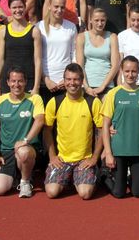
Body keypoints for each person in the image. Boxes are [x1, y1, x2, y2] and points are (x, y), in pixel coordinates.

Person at [44, 63, 103, 200]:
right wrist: (52, 156)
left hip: (84, 159)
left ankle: (90, 175)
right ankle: (69, 177)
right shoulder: (55, 102)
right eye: (68, 79)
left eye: (76, 79)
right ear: (64, 81)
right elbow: (47, 131)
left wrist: (94, 158)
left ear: (82, 81)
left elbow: (101, 131)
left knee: (85, 194)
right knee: (52, 192)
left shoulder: (93, 102)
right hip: (62, 159)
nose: (72, 83)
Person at [102, 56, 139, 198]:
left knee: (138, 193)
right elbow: (105, 125)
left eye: (134, 71)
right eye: (127, 71)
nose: (130, 75)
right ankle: (105, 177)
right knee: (119, 193)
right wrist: (108, 154)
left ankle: (131, 178)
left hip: (138, 150)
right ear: (122, 72)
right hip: (119, 150)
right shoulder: (113, 94)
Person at [0, 67, 44, 198]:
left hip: (28, 148)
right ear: (7, 82)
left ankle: (25, 181)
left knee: (23, 152)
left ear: (26, 82)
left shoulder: (35, 99)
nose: (16, 85)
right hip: (6, 152)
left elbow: (40, 121)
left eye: (20, 81)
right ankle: (15, 177)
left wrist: (25, 141)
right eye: (13, 81)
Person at [0, 0, 41, 96]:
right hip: (7, 81)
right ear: (9, 9)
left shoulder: (34, 31)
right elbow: (0, 59)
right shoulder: (3, 31)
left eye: (20, 7)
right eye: (14, 7)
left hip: (28, 80)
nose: (18, 10)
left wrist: (36, 86)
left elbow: (37, 60)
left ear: (25, 7)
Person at [38, 0, 77, 103]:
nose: (59, 10)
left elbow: (74, 54)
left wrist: (68, 79)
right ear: (49, 5)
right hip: (45, 83)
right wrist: (45, 79)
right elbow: (37, 57)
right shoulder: (39, 27)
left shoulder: (71, 27)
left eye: (62, 7)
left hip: (64, 84)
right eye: (56, 6)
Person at [76, 8, 119, 98]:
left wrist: (102, 86)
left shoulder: (112, 37)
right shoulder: (81, 37)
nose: (100, 23)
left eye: (102, 20)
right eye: (96, 20)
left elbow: (115, 65)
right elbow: (80, 65)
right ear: (90, 20)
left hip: (107, 86)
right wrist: (87, 87)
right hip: (87, 86)